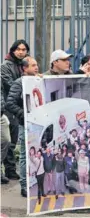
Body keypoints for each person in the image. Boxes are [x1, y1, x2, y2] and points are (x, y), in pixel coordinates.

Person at [5, 56, 39, 197]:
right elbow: (10, 103)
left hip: (37, 122)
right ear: (24, 68)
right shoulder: (19, 83)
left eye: (36, 64)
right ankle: (25, 186)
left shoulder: (37, 81)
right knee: (26, 156)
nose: (36, 67)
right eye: (32, 65)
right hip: (25, 124)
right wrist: (24, 114)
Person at [1, 39, 29, 181]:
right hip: (9, 105)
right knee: (9, 139)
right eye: (18, 49)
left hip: (20, 105)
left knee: (15, 137)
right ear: (13, 50)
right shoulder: (6, 66)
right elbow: (10, 85)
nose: (21, 52)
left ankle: (10, 169)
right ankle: (9, 170)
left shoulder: (25, 65)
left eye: (24, 50)